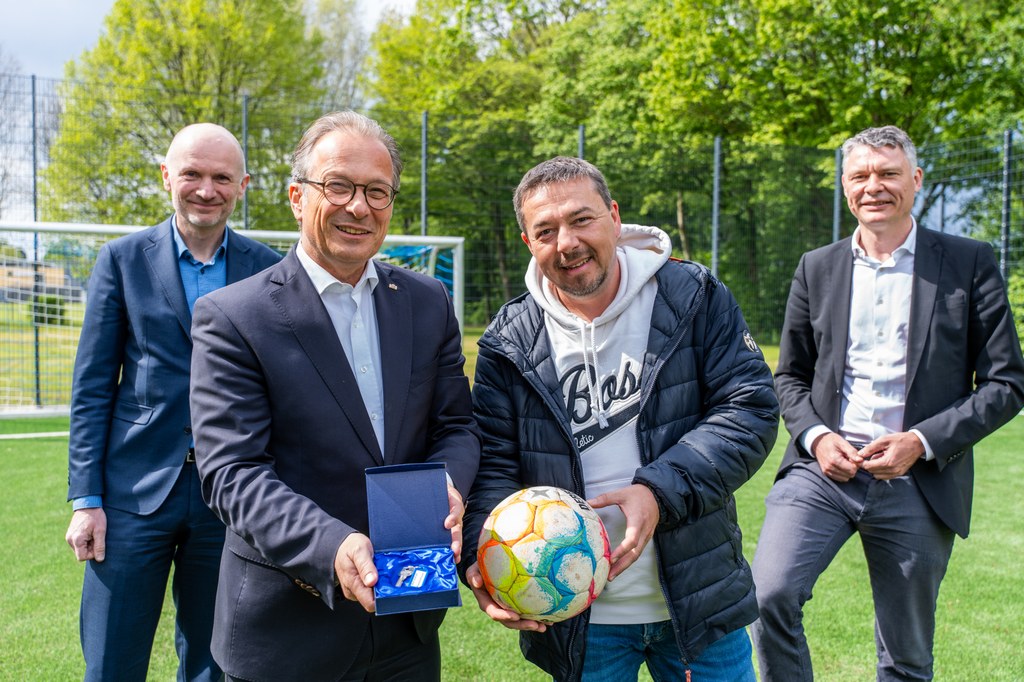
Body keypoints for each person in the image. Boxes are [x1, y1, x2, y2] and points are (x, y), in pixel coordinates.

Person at [187, 110, 481, 681]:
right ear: (297, 197)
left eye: (377, 191)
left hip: (409, 623)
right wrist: (335, 547)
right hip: (287, 632)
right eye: (339, 186)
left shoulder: (427, 301)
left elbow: (456, 427)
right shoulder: (233, 317)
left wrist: (449, 484)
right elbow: (233, 472)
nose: (359, 206)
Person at [461, 156, 780, 681]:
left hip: (699, 603)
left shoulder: (693, 296)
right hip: (579, 619)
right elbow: (494, 465)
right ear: (528, 242)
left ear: (613, 216)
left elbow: (750, 408)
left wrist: (657, 492)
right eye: (546, 230)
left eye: (581, 219)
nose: (567, 243)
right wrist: (483, 557)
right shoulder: (507, 341)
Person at [751, 125, 1024, 681]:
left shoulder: (970, 262)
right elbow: (791, 377)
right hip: (822, 470)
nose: (873, 185)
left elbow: (1006, 381)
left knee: (905, 656)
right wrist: (817, 437)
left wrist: (921, 442)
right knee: (767, 596)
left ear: (915, 181)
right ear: (845, 187)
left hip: (917, 478)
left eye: (888, 173)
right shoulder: (816, 267)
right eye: (860, 175)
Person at [64, 123, 282, 681]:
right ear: (167, 176)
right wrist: (86, 498)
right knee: (113, 659)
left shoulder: (268, 268)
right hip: (133, 494)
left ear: (242, 186)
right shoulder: (121, 260)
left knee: (216, 662)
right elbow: (92, 387)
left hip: (230, 495)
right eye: (192, 174)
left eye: (220, 178)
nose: (205, 189)